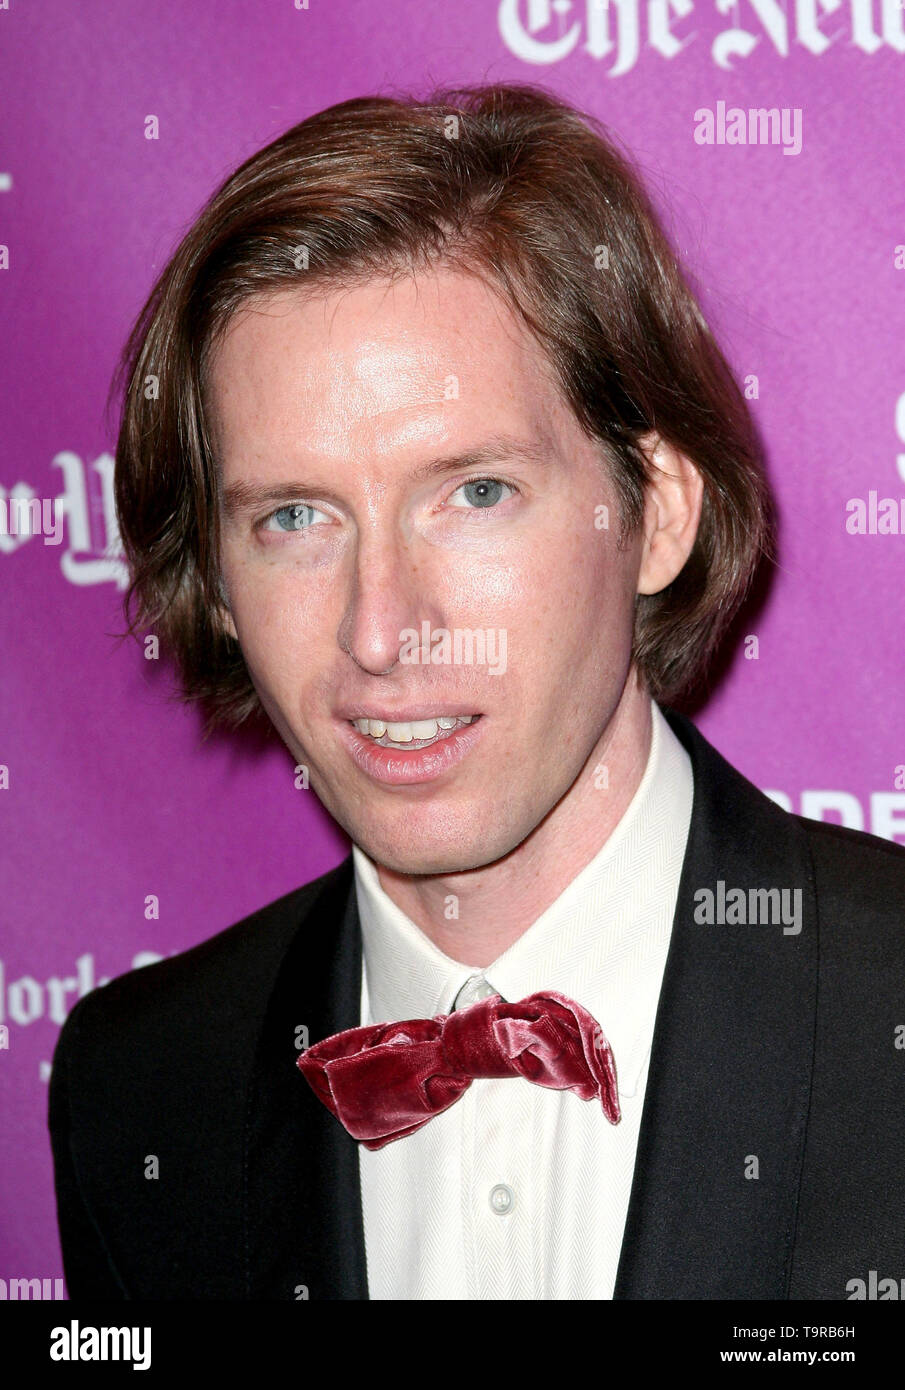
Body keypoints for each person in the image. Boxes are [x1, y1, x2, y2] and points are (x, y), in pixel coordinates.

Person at [49, 81, 905, 1301]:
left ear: (653, 512)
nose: (380, 629)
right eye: (294, 517)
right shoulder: (141, 1088)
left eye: (474, 493)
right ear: (221, 582)